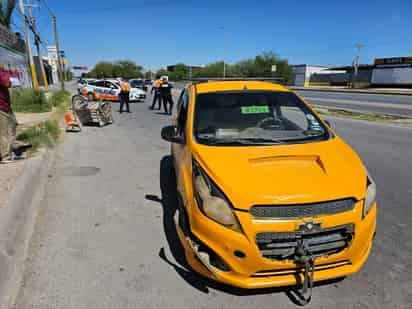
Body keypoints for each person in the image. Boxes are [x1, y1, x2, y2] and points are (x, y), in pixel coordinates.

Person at [0, 70, 17, 162]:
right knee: (7, 131)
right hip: (2, 107)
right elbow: (7, 83)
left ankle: (7, 153)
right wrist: (9, 76)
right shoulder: (1, 73)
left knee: (9, 129)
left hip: (5, 106)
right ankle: (6, 156)